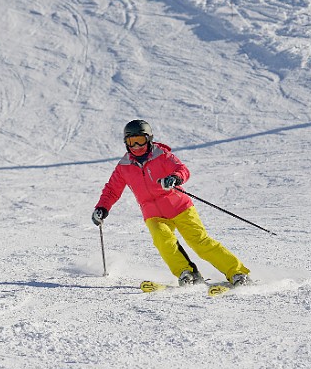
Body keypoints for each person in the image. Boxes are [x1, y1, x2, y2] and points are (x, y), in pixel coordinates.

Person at [91, 119, 251, 286]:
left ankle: (237, 272)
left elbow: (182, 169)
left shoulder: (162, 155)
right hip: (153, 214)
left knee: (199, 242)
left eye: (140, 140)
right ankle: (187, 273)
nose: (136, 146)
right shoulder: (124, 166)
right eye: (132, 142)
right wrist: (102, 207)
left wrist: (175, 178)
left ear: (149, 139)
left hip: (180, 208)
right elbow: (111, 190)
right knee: (163, 241)